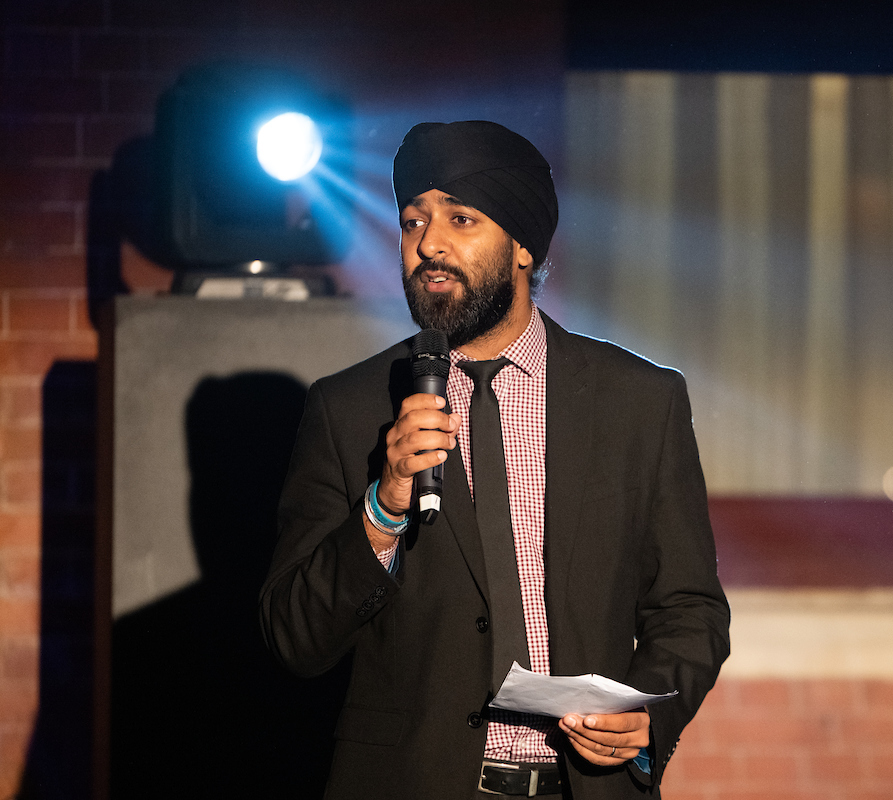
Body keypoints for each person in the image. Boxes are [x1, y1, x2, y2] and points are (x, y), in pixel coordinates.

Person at [260, 120, 729, 799]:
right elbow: (294, 636)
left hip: (585, 785)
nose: (429, 244)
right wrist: (382, 508)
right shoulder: (348, 408)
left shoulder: (639, 401)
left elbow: (689, 607)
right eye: (413, 221)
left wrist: (649, 714)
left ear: (522, 246)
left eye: (461, 219)